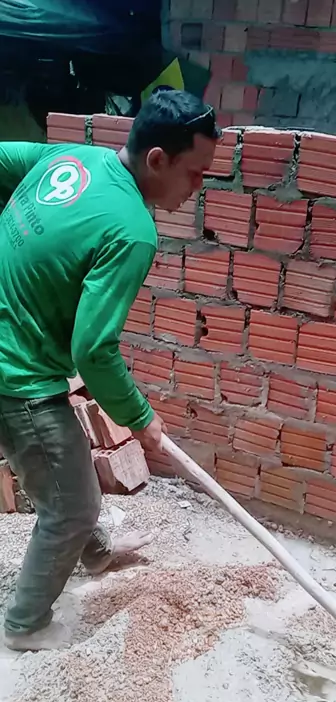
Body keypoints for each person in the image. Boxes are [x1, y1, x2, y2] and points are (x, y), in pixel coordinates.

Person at [0, 89, 220, 652]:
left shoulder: (74, 158)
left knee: (64, 471)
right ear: (158, 160)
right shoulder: (132, 230)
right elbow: (94, 350)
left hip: (16, 356)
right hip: (15, 376)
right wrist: (140, 419)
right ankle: (25, 624)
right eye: (195, 174)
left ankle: (94, 555)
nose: (198, 188)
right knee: (73, 504)